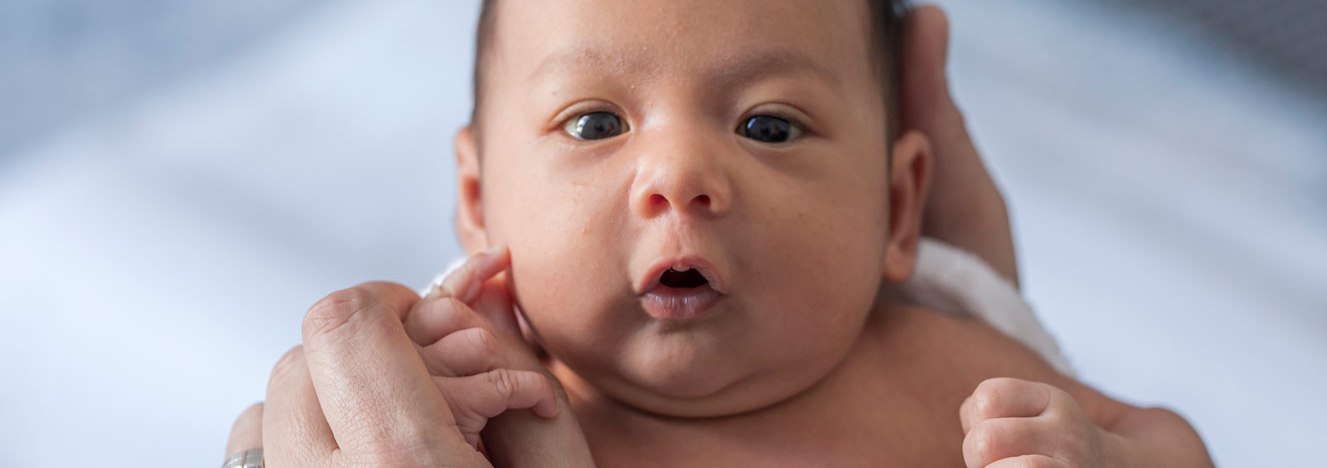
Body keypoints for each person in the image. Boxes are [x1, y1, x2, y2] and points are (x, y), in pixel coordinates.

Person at [225, 1, 1214, 466]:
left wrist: (1107, 460)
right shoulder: (478, 420)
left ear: (898, 210)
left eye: (769, 126)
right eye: (597, 123)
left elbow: (1165, 439)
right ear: (479, 201)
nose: (681, 177)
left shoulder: (945, 370)